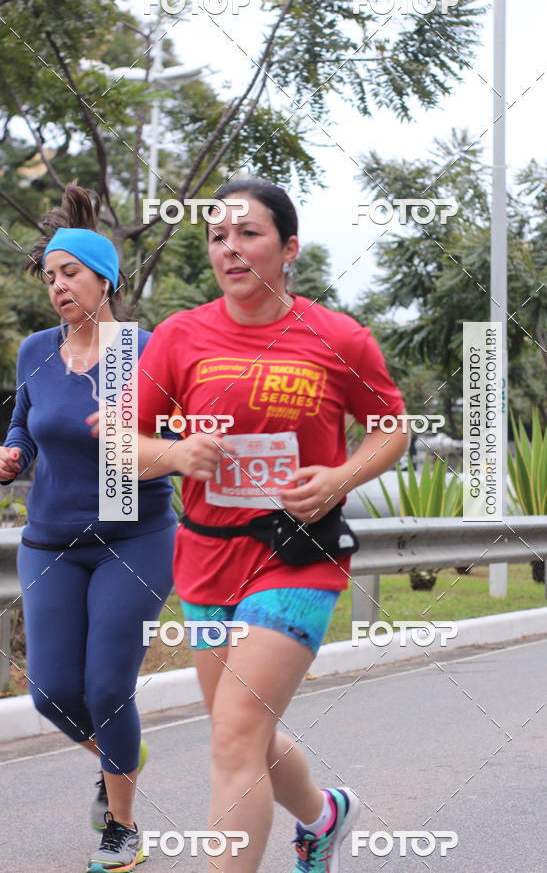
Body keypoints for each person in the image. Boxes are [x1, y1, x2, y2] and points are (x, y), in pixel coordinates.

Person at [135, 178, 409, 872]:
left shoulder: (337, 335)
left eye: (248, 234)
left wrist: (340, 478)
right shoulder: (178, 337)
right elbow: (119, 443)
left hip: (297, 555)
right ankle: (324, 816)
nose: (231, 249)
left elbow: (391, 429)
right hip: (205, 558)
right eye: (218, 237)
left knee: (232, 740)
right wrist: (172, 452)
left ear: (289, 249)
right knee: (244, 734)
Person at [0, 183, 177, 873]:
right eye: (48, 275)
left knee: (106, 688)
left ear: (105, 277)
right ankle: (121, 756)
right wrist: (11, 455)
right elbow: (23, 425)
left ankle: (121, 826)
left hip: (134, 539)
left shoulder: (146, 349)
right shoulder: (35, 351)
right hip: (50, 541)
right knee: (49, 692)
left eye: (69, 271)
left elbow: (181, 432)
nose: (57, 286)